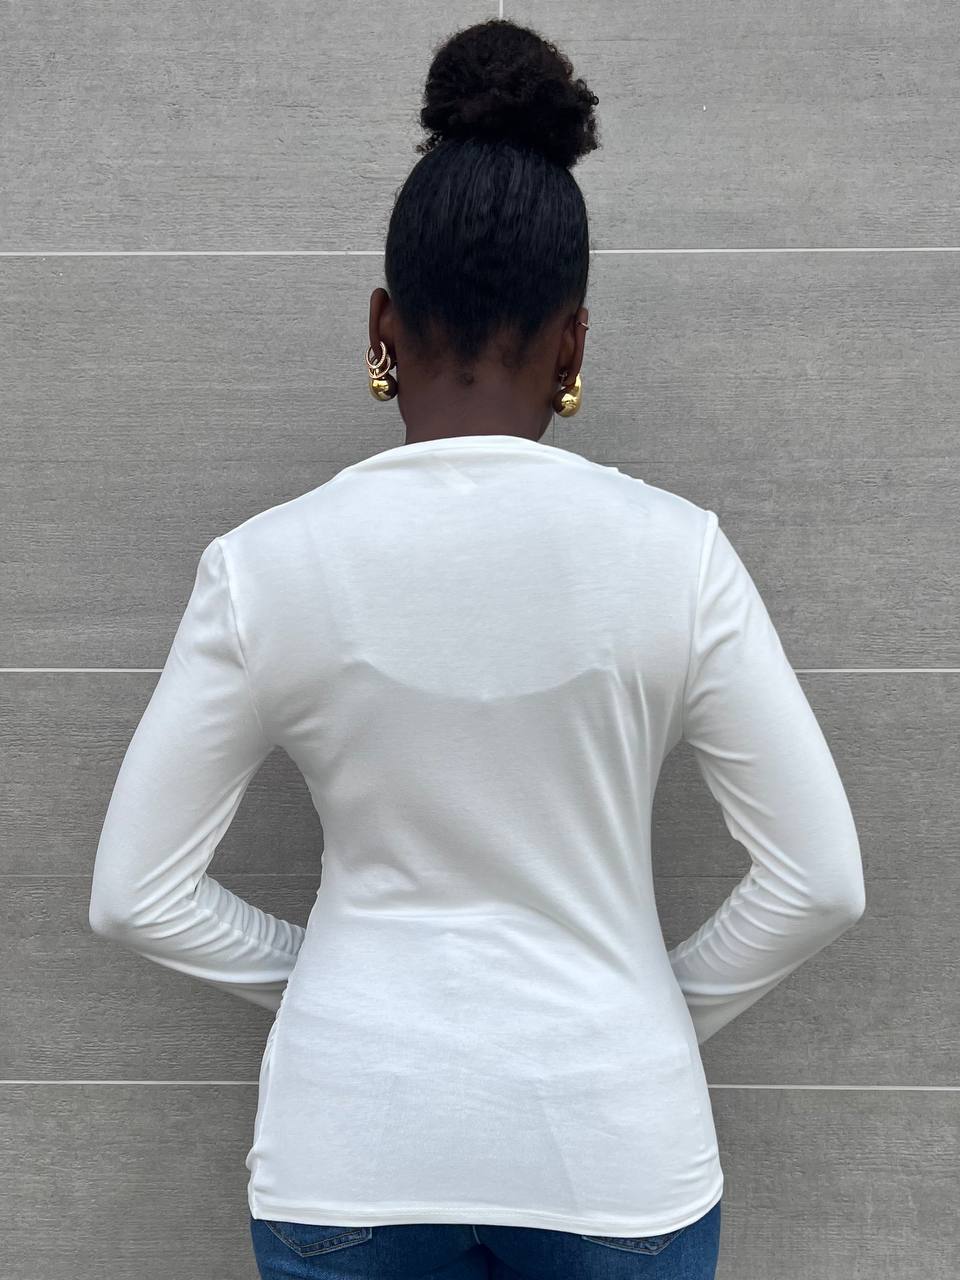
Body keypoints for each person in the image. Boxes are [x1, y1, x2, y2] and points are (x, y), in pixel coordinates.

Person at [87, 17, 866, 1280]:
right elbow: (820, 879)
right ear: (575, 342)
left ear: (384, 328)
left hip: (348, 1151)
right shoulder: (678, 554)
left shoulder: (262, 564)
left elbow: (135, 893)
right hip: (616, 1152)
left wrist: (329, 977)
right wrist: (646, 1005)